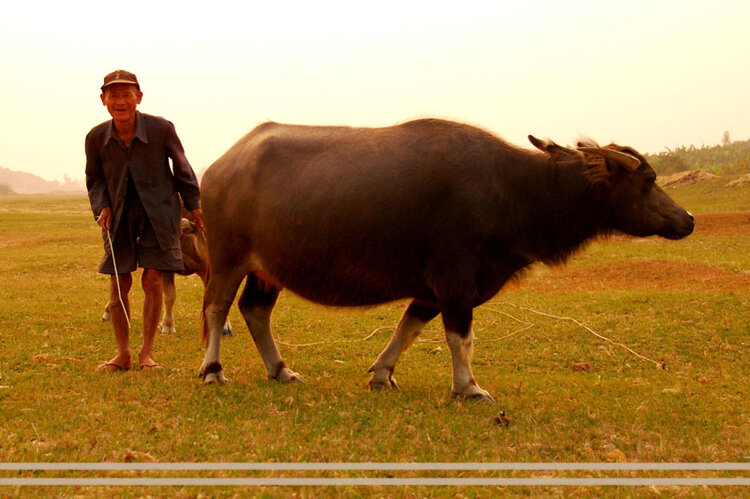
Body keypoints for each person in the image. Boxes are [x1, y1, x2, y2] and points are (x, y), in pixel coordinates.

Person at [85, 69, 204, 371]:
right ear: (103, 100)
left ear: (139, 98)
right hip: (119, 214)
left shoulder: (161, 129)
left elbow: (182, 167)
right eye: (114, 95)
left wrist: (193, 205)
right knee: (119, 282)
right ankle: (122, 354)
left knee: (152, 280)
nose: (121, 101)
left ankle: (146, 353)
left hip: (159, 213)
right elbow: (94, 179)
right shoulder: (96, 137)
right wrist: (101, 207)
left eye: (127, 94)